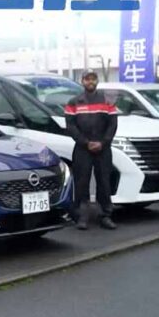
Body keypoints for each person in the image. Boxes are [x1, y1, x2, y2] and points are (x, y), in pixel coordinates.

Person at [64, 70, 118, 230]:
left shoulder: (107, 101)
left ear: (97, 81)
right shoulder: (74, 102)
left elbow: (112, 125)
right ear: (82, 81)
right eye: (87, 79)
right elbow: (71, 126)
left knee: (104, 182)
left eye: (93, 79)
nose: (90, 82)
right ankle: (82, 216)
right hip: (82, 149)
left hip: (103, 148)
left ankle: (105, 215)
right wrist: (85, 142)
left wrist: (103, 142)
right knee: (81, 183)